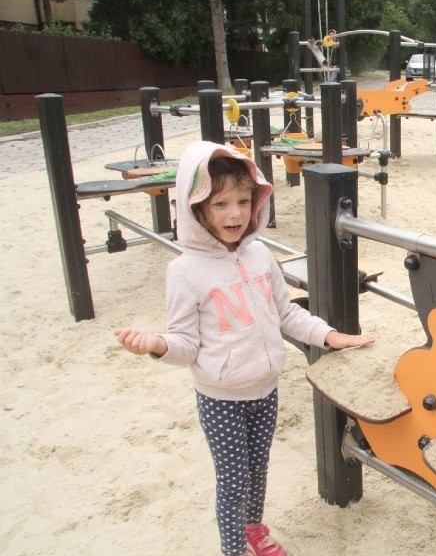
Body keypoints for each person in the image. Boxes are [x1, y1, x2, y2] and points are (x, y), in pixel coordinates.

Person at [114, 141, 375, 556]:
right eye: (220, 204)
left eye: (242, 200)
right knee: (233, 481)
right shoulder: (184, 272)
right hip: (222, 400)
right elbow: (184, 345)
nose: (235, 213)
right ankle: (233, 549)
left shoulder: (259, 256)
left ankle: (254, 529)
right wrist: (158, 345)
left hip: (266, 391)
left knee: (258, 471)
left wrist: (330, 335)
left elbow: (287, 315)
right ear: (195, 208)